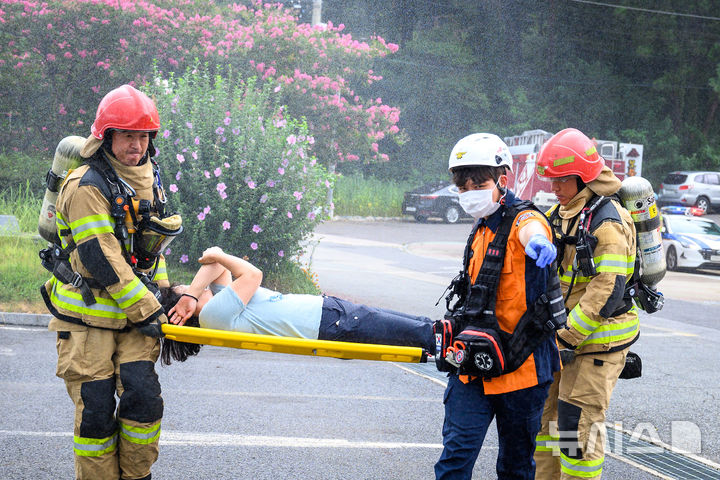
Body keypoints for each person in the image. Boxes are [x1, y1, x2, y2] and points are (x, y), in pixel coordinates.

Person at [41, 85, 179, 480]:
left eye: (143, 136)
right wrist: (149, 310)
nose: (136, 145)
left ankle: (137, 477)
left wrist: (167, 294)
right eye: (127, 135)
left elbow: (151, 249)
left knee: (144, 403)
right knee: (96, 419)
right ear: (107, 136)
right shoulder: (86, 185)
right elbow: (102, 258)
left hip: (136, 320)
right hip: (88, 322)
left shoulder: (151, 177)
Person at [434, 133, 562, 480]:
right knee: (455, 457)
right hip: (473, 364)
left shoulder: (523, 220)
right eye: (463, 187)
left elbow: (531, 228)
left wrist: (537, 240)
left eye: (479, 183)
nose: (470, 193)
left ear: (503, 180)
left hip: (521, 370)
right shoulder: (479, 230)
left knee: (516, 467)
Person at [533, 128, 639, 480]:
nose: (554, 188)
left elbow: (607, 289)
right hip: (562, 342)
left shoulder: (607, 222)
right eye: (552, 180)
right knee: (546, 426)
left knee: (576, 433)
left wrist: (565, 337)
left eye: (561, 180)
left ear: (582, 177)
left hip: (595, 342)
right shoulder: (563, 211)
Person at [158, 246, 436, 365]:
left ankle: (445, 331)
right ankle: (446, 338)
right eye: (185, 289)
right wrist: (196, 290)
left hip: (326, 314)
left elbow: (214, 263)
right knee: (407, 332)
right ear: (182, 313)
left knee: (403, 324)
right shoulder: (213, 317)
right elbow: (252, 275)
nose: (195, 287)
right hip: (326, 323)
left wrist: (191, 294)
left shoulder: (218, 302)